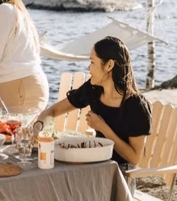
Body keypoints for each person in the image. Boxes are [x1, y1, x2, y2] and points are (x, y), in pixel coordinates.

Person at [33, 36, 152, 167]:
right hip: (95, 163)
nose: (89, 68)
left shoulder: (136, 106)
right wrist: (37, 128)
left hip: (120, 172)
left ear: (109, 65)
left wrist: (103, 128)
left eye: (92, 62)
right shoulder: (93, 90)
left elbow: (134, 158)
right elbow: (52, 111)